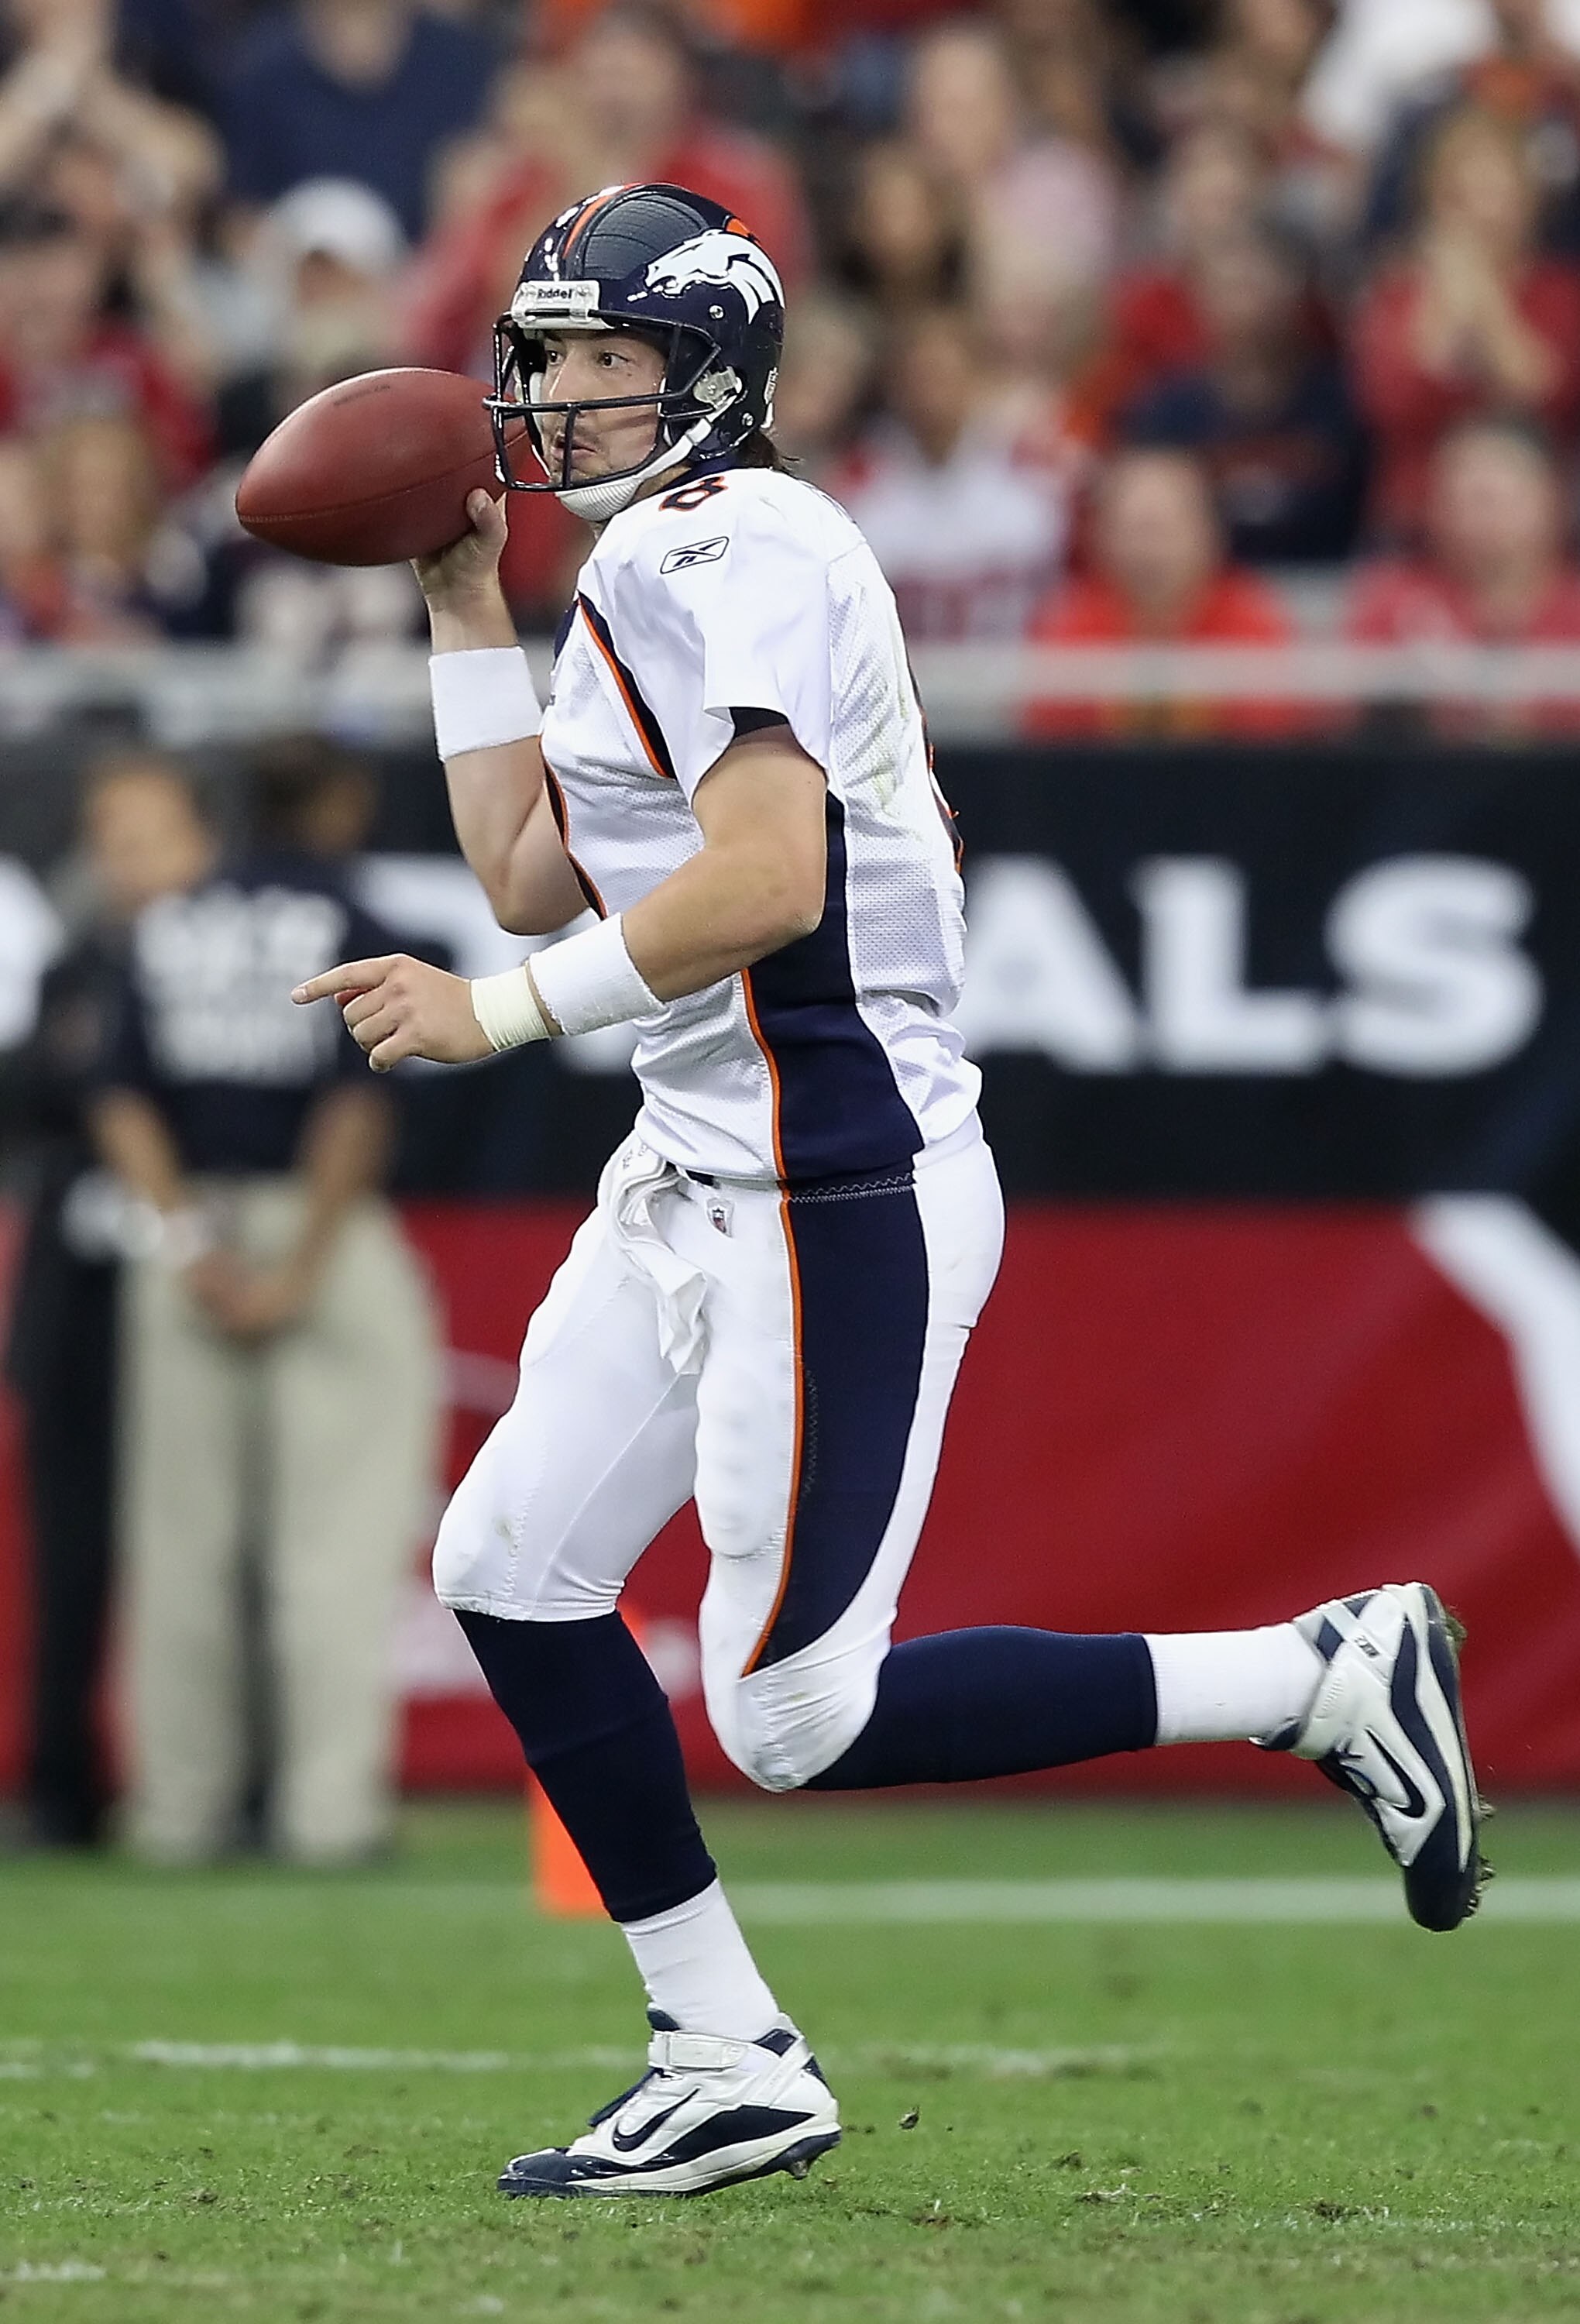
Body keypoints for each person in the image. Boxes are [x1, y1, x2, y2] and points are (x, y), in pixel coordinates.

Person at [293, 182, 1487, 2200]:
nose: (558, 396)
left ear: (711, 375)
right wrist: (459, 599)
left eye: (604, 358)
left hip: (830, 1181)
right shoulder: (646, 564)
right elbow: (524, 867)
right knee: (505, 1565)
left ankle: (1316, 1675)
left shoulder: (728, 541)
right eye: (548, 355)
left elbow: (767, 883)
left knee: (792, 1715)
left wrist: (493, 1022)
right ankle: (722, 2050)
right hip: (701, 1163)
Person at [93, 738, 441, 1864]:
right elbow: (357, 1107)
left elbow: (121, 1098)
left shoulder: (169, 925)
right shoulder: (352, 922)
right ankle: (326, 1814)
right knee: (332, 1544)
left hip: (188, 1225)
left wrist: (188, 1242)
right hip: (316, 1227)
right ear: (340, 802)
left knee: (180, 1546)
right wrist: (299, 1271)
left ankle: (178, 1812)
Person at [4, 752, 208, 1848]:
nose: (129, 861)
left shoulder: (230, 962)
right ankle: (60, 1785)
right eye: (111, 839)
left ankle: (222, 1783)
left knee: (210, 1545)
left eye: (150, 835)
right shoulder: (74, 965)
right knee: (71, 1551)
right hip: (79, 1293)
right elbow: (33, 1094)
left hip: (196, 1277)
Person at [1351, 102, 1580, 541]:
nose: (1479, 208)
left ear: (1529, 198)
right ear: (1434, 201)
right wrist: (1446, 296)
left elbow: (1543, 394)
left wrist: (1481, 293)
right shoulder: (1396, 295)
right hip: (1417, 523)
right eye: (1460, 192)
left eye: (1495, 189)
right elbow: (1394, 402)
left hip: (1536, 527)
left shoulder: (1561, 293)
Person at [1122, 222, 1368, 566]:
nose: (1246, 306)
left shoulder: (1343, 403)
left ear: (1295, 295)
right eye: (1229, 287)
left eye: (1257, 286)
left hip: (1330, 582)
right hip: (1209, 588)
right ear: (1198, 298)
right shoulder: (1167, 412)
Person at [1024, 446, 1307, 737]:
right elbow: (1048, 732)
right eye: (1133, 529)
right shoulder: (1071, 622)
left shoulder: (1252, 617)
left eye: (1162, 529)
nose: (1148, 549)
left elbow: (1271, 731)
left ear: (1209, 533)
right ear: (1099, 537)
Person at [1345, 414, 1580, 734]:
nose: (1469, 517)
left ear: (1549, 500)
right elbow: (1354, 724)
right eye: (1453, 498)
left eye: (1487, 499)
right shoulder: (1392, 604)